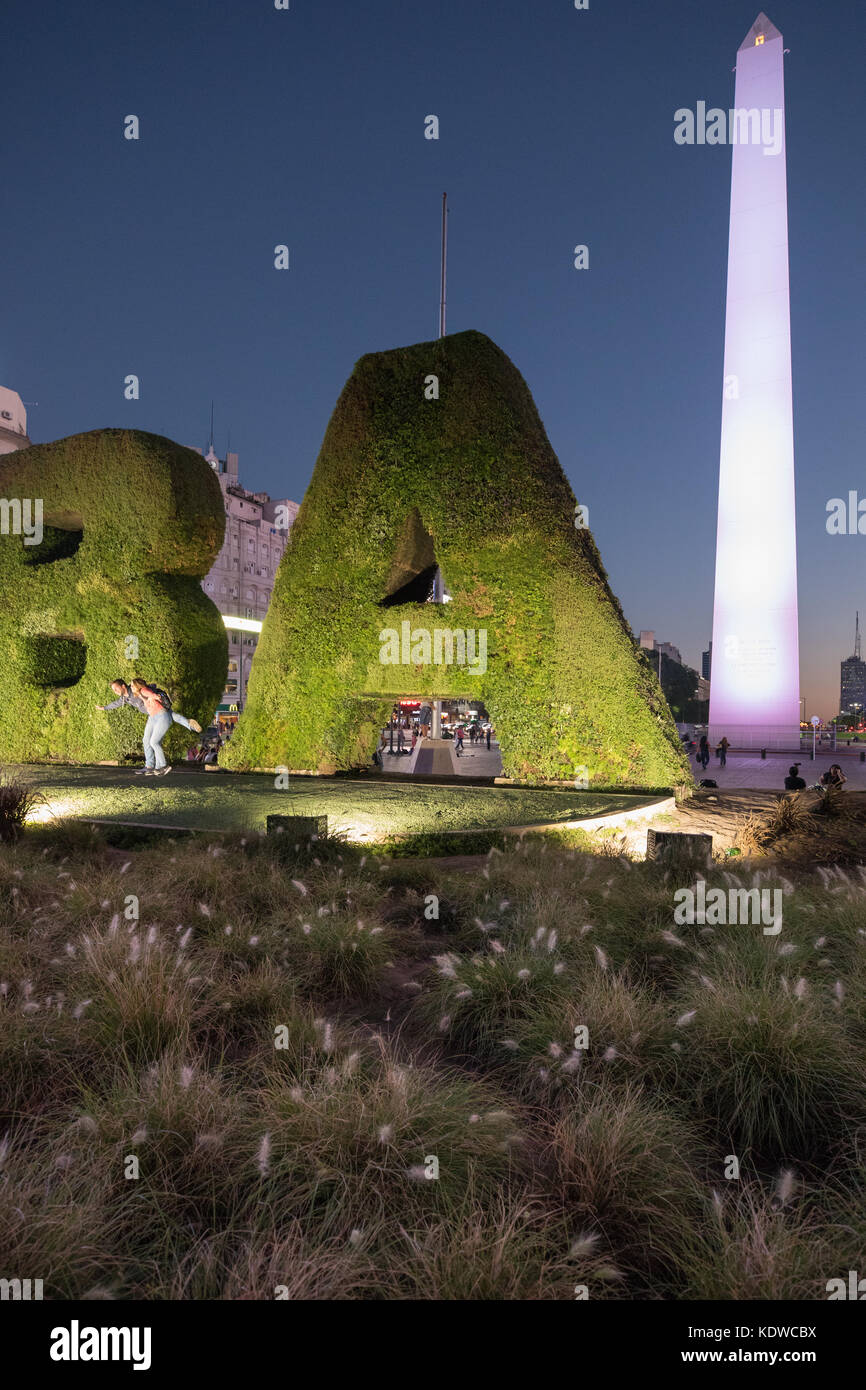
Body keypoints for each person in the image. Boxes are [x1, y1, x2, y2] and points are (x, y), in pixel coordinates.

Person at [129, 679, 175, 776]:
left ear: (138, 686)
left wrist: (156, 696)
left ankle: (163, 766)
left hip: (161, 715)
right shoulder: (141, 694)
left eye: (133, 685)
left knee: (154, 742)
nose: (131, 687)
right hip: (156, 716)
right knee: (152, 741)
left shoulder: (143, 690)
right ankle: (157, 768)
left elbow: (151, 694)